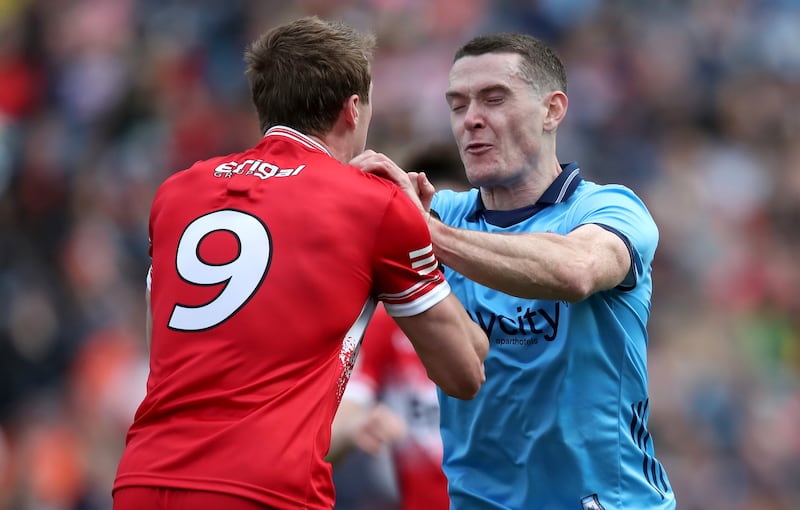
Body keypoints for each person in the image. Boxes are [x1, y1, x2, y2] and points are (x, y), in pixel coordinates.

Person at [112, 16, 488, 510]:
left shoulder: (177, 192)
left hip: (143, 478)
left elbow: (161, 348)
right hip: (265, 489)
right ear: (353, 110)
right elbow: (465, 372)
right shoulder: (372, 204)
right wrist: (422, 229)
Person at [351, 32, 677, 509]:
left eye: (494, 99)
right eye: (457, 105)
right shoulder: (438, 214)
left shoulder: (609, 209)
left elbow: (576, 271)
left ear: (552, 110)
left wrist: (423, 234)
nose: (471, 120)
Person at [328, 142, 471, 510]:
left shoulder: (516, 317)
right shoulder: (386, 324)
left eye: (452, 223)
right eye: (424, 222)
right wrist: (357, 422)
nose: (436, 239)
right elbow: (340, 418)